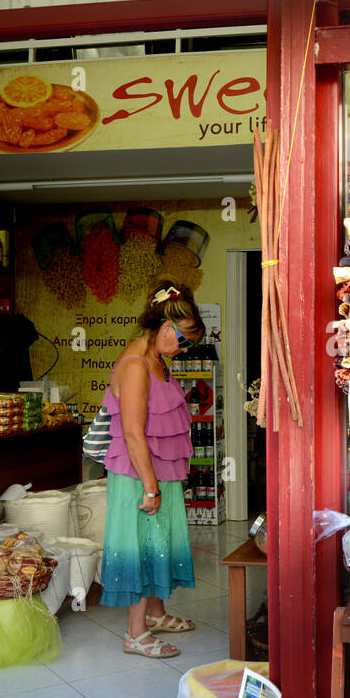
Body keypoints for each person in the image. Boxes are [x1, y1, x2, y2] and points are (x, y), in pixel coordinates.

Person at [101, 281, 204, 658]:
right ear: (164, 328)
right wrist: (150, 487)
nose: (183, 348)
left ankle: (156, 613)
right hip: (138, 476)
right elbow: (131, 432)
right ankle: (135, 633)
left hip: (160, 471)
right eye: (182, 339)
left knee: (160, 542)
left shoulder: (157, 359)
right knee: (141, 547)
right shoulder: (135, 366)